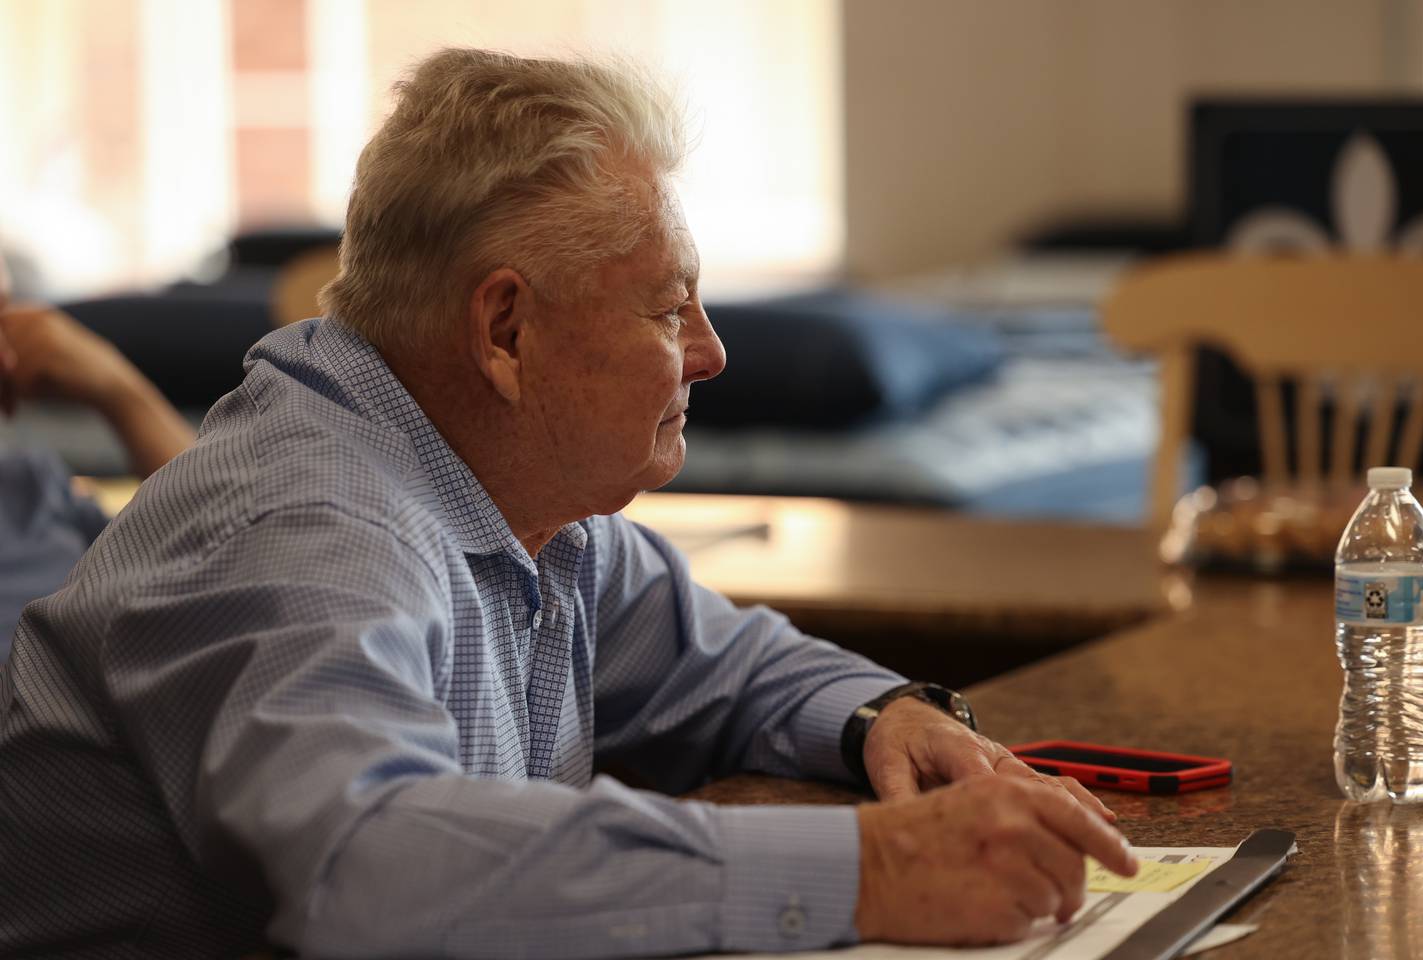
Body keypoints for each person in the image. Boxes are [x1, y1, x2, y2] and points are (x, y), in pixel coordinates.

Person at [0, 49, 1137, 958]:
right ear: (505, 332)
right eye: (666, 310)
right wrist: (875, 871)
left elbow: (728, 665)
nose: (712, 353)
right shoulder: (311, 526)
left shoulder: (518, 497)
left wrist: (890, 717)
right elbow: (363, 868)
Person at [0, 252, 194, 650]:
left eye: (4, 319)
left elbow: (229, 545)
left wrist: (121, 393)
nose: (9, 359)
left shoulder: (31, 485)